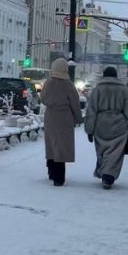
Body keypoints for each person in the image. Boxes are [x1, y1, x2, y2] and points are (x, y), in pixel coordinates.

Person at [85, 66, 128, 190]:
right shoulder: (123, 89)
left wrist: (89, 130)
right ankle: (109, 176)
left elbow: (91, 111)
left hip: (100, 124)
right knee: (116, 152)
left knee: (102, 150)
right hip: (119, 124)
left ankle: (103, 170)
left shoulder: (97, 90)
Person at [40, 58, 83, 186]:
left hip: (50, 116)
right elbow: (75, 103)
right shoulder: (68, 84)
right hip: (64, 117)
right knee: (61, 147)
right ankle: (59, 178)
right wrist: (78, 118)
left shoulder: (48, 83)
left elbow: (42, 98)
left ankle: (51, 171)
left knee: (51, 144)